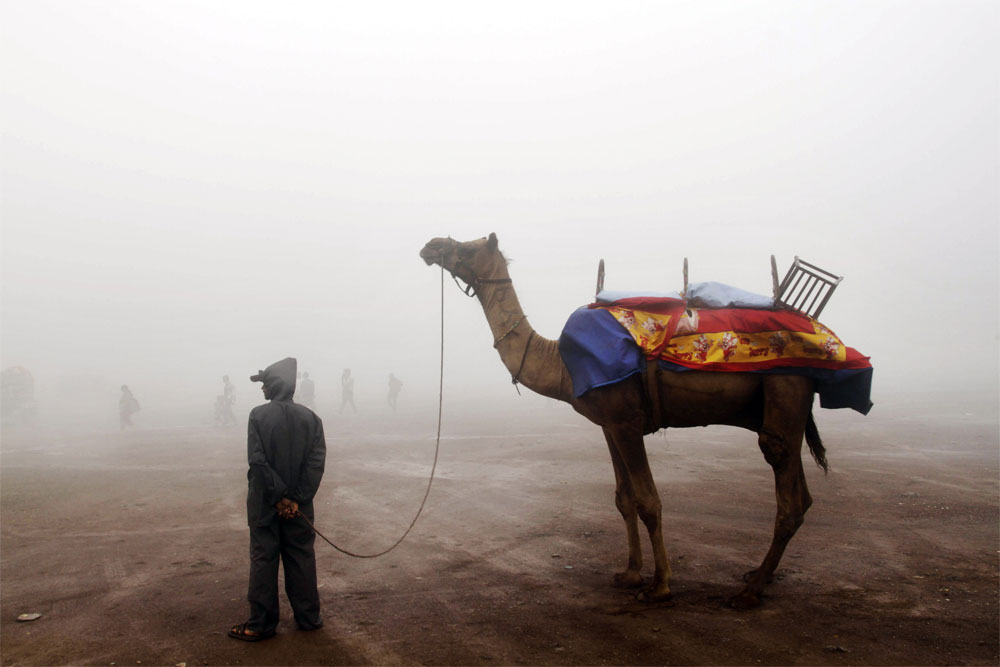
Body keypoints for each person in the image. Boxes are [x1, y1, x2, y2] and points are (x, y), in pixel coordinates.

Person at [229, 357, 326, 642]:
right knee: (301, 558)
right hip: (300, 508)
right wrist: (296, 499)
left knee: (264, 560)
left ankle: (261, 624)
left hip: (265, 505)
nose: (262, 390)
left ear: (274, 384)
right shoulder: (311, 419)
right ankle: (309, 618)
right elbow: (315, 463)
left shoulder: (258, 416)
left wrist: (278, 497)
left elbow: (257, 462)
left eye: (264, 384)